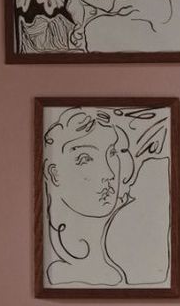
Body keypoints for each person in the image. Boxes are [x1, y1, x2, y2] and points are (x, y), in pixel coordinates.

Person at [42, 108, 165, 288]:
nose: (108, 173)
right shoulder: (60, 270)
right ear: (54, 174)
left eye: (112, 154)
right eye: (85, 159)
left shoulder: (132, 247)